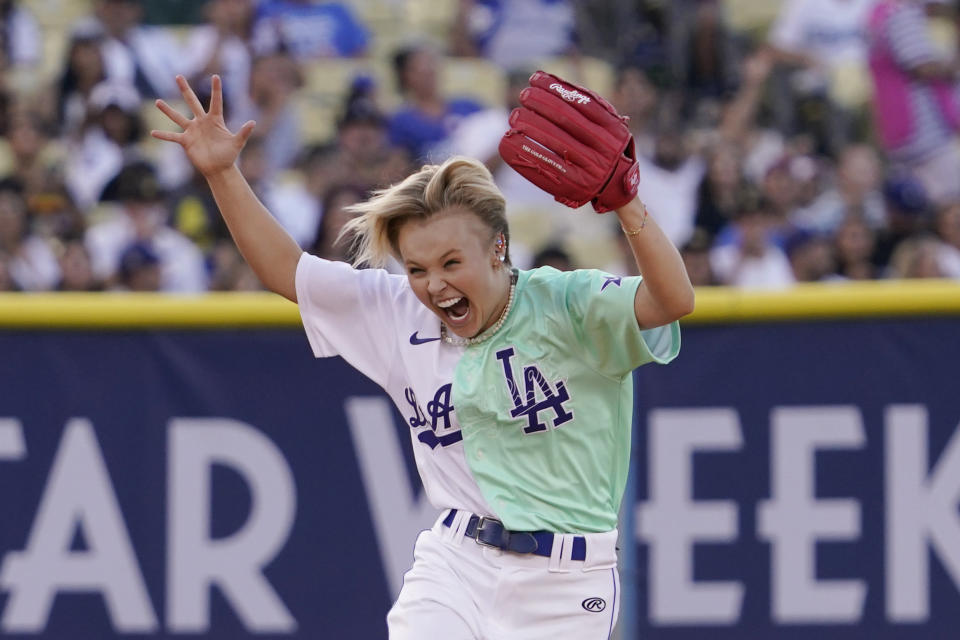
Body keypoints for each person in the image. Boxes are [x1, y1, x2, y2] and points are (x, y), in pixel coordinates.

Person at [151, 73, 694, 638]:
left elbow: (673, 300)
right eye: (416, 268)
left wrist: (629, 206)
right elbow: (287, 271)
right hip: (456, 561)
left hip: (567, 580)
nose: (433, 285)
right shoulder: (397, 314)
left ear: (498, 248)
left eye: (450, 263)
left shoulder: (569, 305)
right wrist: (221, 173)